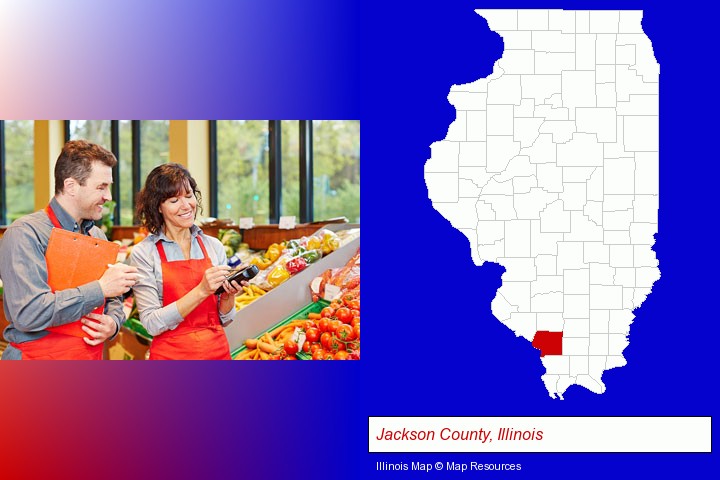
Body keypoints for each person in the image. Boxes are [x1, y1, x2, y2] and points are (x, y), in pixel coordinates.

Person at [0, 140, 139, 360]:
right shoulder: (25, 233)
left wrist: (113, 323)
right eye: (101, 187)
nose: (109, 196)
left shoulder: (98, 236)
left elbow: (113, 298)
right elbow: (29, 313)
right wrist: (99, 288)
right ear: (71, 186)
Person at [130, 163, 243, 360]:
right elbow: (151, 323)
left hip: (217, 353)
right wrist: (201, 290)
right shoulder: (144, 253)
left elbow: (225, 318)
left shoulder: (213, 246)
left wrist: (228, 296)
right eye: (174, 200)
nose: (186, 206)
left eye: (189, 196)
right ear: (158, 206)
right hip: (171, 357)